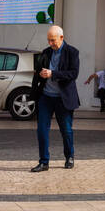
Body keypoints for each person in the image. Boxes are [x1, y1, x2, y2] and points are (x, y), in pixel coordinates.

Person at [31, 25, 80, 171]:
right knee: (41, 130)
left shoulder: (72, 52)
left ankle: (69, 156)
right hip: (46, 97)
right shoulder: (46, 52)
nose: (50, 43)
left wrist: (53, 74)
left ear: (61, 38)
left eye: (53, 40)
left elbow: (73, 74)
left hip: (63, 98)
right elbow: (38, 71)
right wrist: (40, 75)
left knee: (66, 130)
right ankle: (44, 162)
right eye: (48, 40)